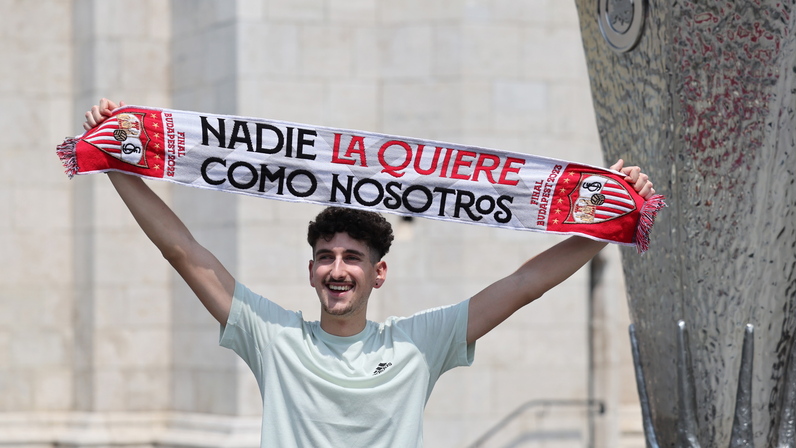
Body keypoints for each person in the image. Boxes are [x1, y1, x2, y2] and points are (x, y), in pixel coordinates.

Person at [83, 98, 655, 447]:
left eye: (353, 258)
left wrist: (606, 219)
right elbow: (184, 251)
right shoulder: (274, 338)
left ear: (378, 275)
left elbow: (524, 284)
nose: (338, 270)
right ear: (310, 272)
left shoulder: (418, 344)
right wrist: (115, 164)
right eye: (327, 258)